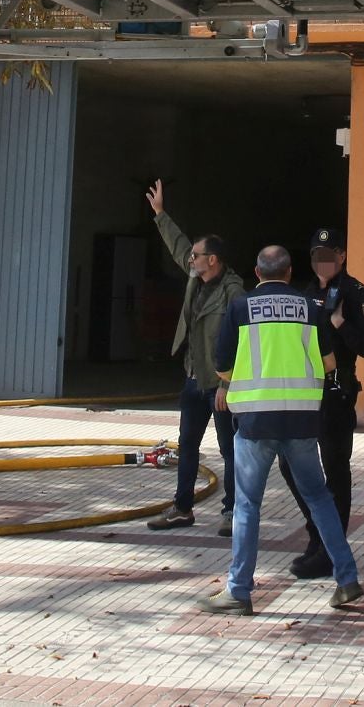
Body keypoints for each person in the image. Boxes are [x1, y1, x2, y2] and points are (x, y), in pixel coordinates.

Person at [201, 245, 364, 615]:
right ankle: (347, 578)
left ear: (256, 274)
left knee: (247, 506)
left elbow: (222, 367)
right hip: (303, 421)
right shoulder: (311, 309)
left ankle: (239, 590)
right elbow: (328, 363)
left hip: (255, 423)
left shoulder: (240, 308)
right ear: (290, 273)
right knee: (320, 498)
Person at [277, 226, 364, 579]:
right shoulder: (304, 295)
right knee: (290, 466)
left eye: (329, 255)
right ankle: (317, 535)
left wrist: (340, 324)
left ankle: (328, 550)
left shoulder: (355, 293)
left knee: (336, 472)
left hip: (336, 395)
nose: (323, 262)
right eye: (316, 257)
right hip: (304, 395)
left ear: (342, 256)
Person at [144, 179, 243, 535]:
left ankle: (232, 512)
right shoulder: (194, 276)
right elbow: (179, 246)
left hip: (219, 385)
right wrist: (159, 214)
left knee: (230, 451)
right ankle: (182, 508)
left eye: (198, 256)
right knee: (187, 445)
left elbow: (242, 341)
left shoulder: (234, 291)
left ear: (212, 260)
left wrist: (226, 383)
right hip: (192, 379)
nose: (191, 259)